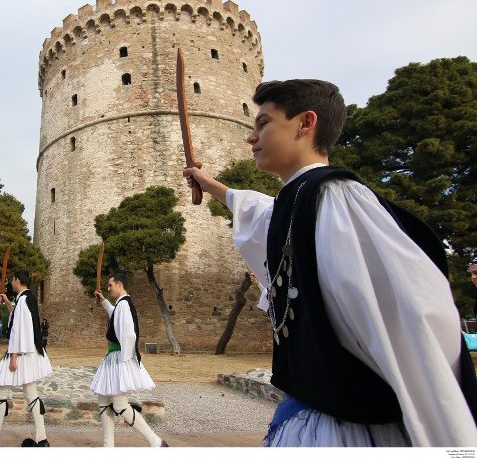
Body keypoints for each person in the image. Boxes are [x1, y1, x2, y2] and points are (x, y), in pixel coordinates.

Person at [183, 79, 477, 447]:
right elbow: (257, 211)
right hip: (314, 415)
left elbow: (413, 317)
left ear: (306, 123)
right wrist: (208, 183)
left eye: (264, 123)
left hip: (354, 429)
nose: (251, 136)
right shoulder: (296, 202)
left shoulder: (339, 200)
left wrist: (450, 438)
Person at [0, 270, 52, 447]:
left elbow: (18, 330)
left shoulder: (23, 300)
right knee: (32, 395)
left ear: (17, 280)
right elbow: (18, 318)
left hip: (19, 353)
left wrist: (13, 356)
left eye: (12, 280)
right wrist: (7, 302)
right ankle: (42, 440)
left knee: (1, 393)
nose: (10, 283)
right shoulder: (28, 298)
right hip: (29, 353)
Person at [92, 272, 167, 447]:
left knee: (120, 405)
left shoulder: (124, 304)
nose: (108, 288)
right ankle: (108, 446)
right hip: (114, 357)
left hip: (119, 358)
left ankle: (156, 442)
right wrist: (104, 301)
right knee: (103, 400)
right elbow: (116, 317)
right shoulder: (121, 304)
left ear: (120, 285)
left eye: (110, 285)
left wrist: (127, 358)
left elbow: (129, 334)